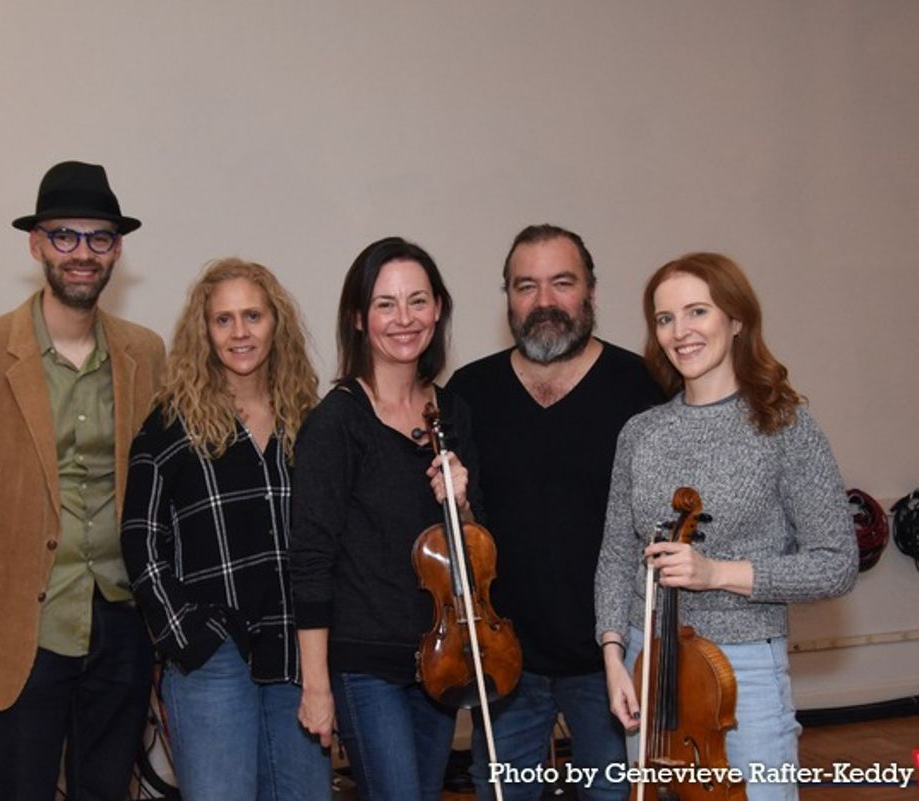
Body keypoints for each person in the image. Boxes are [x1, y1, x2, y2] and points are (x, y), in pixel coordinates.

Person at [0, 161, 165, 801]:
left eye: (99, 238)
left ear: (117, 250)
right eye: (65, 237)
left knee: (107, 791)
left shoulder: (147, 354)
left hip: (124, 626)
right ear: (36, 244)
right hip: (21, 630)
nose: (83, 254)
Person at [595, 252, 858, 801]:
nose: (680, 332)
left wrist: (715, 572)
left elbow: (835, 563)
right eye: (665, 319)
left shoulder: (783, 425)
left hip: (744, 669)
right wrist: (614, 655)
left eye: (697, 312)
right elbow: (618, 556)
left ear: (736, 319)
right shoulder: (641, 433)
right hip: (650, 663)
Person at [447, 223, 663, 800]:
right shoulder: (468, 393)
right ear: (508, 299)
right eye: (526, 286)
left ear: (590, 292)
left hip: (613, 663)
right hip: (505, 665)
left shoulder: (644, 387)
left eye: (561, 283)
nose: (544, 301)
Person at [120, 258, 330, 800]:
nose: (240, 332)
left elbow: (334, 536)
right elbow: (140, 541)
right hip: (213, 660)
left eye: (253, 316)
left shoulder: (310, 421)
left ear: (275, 323)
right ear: (204, 332)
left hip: (296, 653)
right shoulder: (169, 425)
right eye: (224, 319)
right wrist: (188, 639)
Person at [290, 236, 482, 801]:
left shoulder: (454, 413)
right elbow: (310, 560)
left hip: (441, 660)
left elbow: (477, 545)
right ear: (358, 318)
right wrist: (317, 686)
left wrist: (463, 501)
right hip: (365, 665)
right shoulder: (337, 424)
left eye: (417, 301)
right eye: (385, 304)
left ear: (439, 308)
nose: (404, 319)